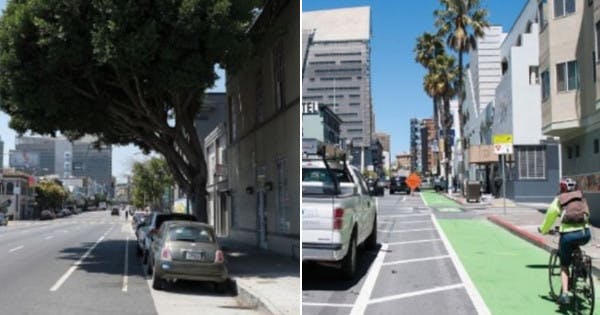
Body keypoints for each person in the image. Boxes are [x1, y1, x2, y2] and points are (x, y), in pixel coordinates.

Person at [539, 177, 591, 305]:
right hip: (585, 233)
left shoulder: (559, 199)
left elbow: (550, 214)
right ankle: (583, 270)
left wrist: (543, 229)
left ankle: (565, 294)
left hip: (567, 236)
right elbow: (587, 214)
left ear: (562, 188)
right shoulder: (581, 197)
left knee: (564, 265)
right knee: (577, 245)